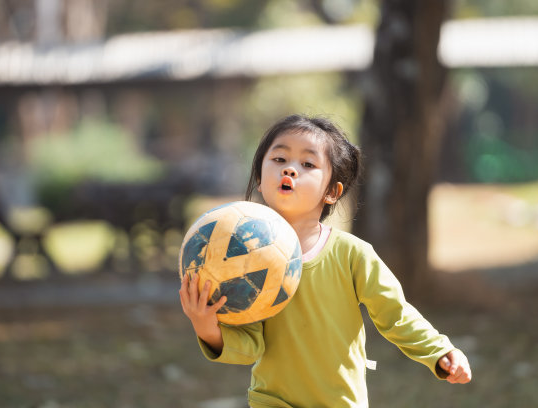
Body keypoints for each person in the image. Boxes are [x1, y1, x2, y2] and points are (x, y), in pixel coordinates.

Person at [179, 114, 472, 407]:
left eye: (307, 164)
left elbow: (396, 314)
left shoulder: (352, 254)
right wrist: (207, 328)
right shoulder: (244, 261)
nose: (290, 170)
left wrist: (439, 351)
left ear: (332, 192)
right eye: (279, 159)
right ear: (259, 176)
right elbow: (250, 347)